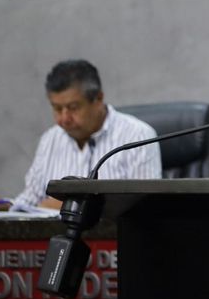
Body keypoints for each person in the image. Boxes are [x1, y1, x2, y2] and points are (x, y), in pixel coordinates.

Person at [9, 59, 162, 210]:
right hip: (51, 234)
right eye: (57, 108)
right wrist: (5, 205)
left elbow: (145, 208)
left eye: (73, 107)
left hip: (112, 234)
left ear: (98, 99)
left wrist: (73, 206)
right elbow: (30, 200)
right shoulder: (50, 139)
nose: (64, 118)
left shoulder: (138, 136)